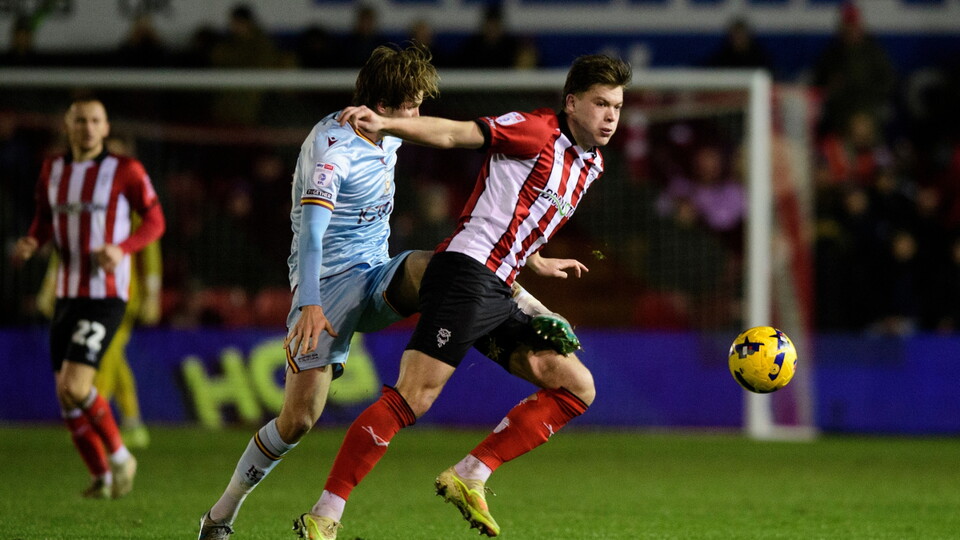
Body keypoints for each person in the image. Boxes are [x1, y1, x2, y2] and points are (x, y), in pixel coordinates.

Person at [197, 42, 577, 540]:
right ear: (383, 105)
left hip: (377, 276)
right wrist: (309, 302)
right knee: (297, 421)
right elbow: (311, 234)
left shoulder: (387, 133)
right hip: (327, 289)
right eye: (412, 103)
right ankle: (221, 515)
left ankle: (520, 303)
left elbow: (450, 151)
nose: (417, 113)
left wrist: (527, 255)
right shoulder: (332, 150)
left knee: (444, 268)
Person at [292, 53, 631, 539]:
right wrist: (388, 123)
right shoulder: (536, 131)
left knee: (576, 384)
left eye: (617, 106)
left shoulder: (591, 164)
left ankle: (471, 473)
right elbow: (456, 134)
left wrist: (534, 259)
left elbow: (520, 209)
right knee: (413, 397)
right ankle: (325, 515)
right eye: (601, 103)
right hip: (466, 274)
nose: (611, 116)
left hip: (499, 284)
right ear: (572, 103)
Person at [13, 98, 165, 498]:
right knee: (65, 394)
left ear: (105, 126)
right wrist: (34, 239)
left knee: (78, 385)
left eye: (95, 120)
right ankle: (100, 475)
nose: (87, 127)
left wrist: (122, 248)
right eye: (79, 120)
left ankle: (120, 457)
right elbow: (46, 218)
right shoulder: (53, 168)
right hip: (67, 292)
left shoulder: (125, 170)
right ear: (68, 125)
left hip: (107, 294)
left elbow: (155, 220)